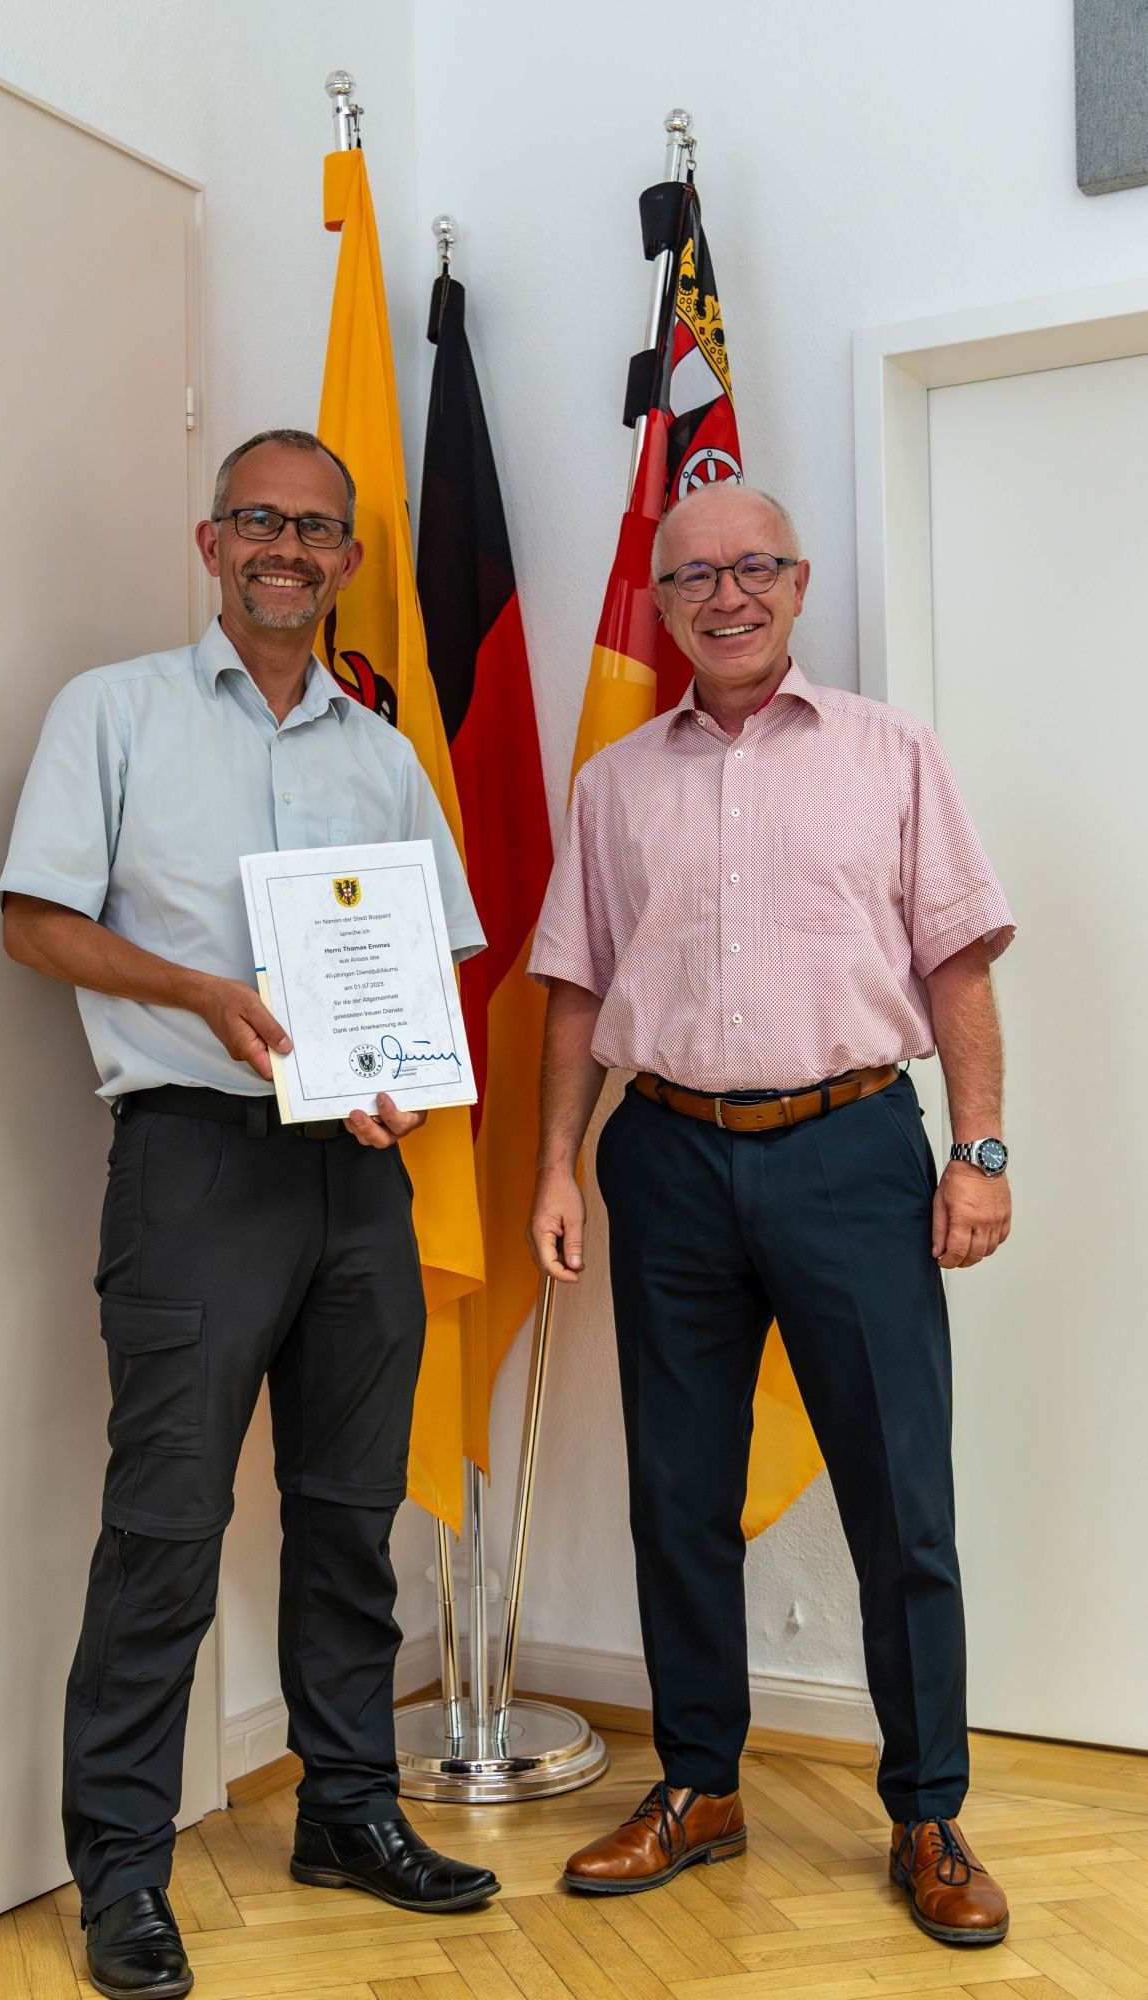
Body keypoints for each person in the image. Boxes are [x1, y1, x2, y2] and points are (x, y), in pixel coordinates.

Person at [0, 428, 499, 2000]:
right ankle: (125, 1876)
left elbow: (435, 954)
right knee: (166, 1530)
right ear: (210, 543)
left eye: (317, 529)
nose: (289, 547)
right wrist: (201, 993)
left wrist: (406, 1067)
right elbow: (32, 921)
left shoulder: (382, 748)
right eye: (258, 522)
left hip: (357, 1169)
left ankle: (345, 1811)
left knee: (351, 1516)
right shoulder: (116, 711)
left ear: (348, 561)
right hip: (195, 1163)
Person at [526, 482, 1015, 1950]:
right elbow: (571, 989)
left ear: (795, 585)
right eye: (693, 578)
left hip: (850, 1153)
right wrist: (557, 1164)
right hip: (665, 1160)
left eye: (753, 569)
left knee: (898, 1506)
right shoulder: (613, 785)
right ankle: (698, 1786)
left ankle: (926, 1812)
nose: (724, 596)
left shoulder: (889, 754)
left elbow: (957, 969)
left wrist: (978, 1150)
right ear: (659, 604)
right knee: (675, 1501)